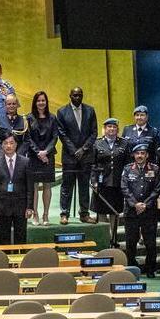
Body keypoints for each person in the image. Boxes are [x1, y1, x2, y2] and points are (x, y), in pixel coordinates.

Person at [56, 86, 98, 225]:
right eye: (75, 95)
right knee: (67, 186)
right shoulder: (62, 111)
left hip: (86, 155)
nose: (77, 97)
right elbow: (62, 133)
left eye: (80, 95)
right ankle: (64, 214)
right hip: (69, 156)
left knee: (84, 186)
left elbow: (94, 132)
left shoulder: (90, 110)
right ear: (70, 96)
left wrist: (83, 149)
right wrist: (74, 150)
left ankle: (84, 214)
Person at [122, 143, 160, 278]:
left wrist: (145, 204)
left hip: (149, 211)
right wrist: (135, 204)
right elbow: (124, 188)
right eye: (137, 153)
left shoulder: (155, 169)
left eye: (142, 153)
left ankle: (151, 269)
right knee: (131, 242)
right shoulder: (127, 169)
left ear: (147, 155)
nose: (140, 156)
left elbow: (157, 189)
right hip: (131, 211)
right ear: (134, 155)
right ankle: (132, 268)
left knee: (150, 242)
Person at [0, 132, 34, 245]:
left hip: (21, 207)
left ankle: (21, 256)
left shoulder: (25, 162)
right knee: (3, 238)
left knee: (21, 237)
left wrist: (29, 207)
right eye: (6, 143)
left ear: (16, 144)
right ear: (2, 145)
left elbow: (30, 186)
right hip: (2, 208)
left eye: (11, 143)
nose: (9, 146)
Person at [91, 118, 131, 246]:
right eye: (109, 127)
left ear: (117, 129)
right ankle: (105, 238)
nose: (112, 129)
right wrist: (94, 181)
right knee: (101, 211)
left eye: (114, 127)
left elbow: (128, 164)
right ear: (105, 129)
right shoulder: (97, 143)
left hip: (117, 183)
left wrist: (126, 180)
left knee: (115, 211)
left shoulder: (124, 143)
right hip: (101, 183)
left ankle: (114, 238)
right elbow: (92, 164)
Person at [25, 90, 59, 225]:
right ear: (35, 102)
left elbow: (55, 137)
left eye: (43, 100)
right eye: (38, 100)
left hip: (48, 156)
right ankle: (35, 215)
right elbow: (28, 138)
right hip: (34, 156)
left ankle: (45, 215)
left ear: (46, 102)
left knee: (47, 185)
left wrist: (46, 152)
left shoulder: (53, 118)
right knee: (33, 186)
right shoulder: (29, 118)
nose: (41, 103)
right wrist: (38, 152)